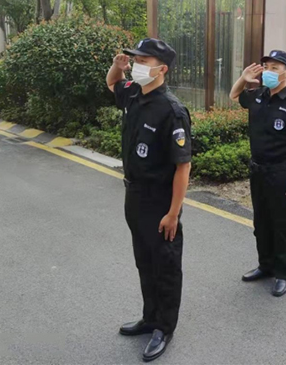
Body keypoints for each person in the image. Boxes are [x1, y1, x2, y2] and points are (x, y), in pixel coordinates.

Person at [106, 38, 192, 362]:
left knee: (165, 266)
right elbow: (112, 83)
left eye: (144, 61)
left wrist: (173, 213)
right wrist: (117, 67)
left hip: (160, 201)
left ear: (162, 69)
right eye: (136, 59)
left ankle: (164, 328)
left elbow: (183, 167)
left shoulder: (172, 111)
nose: (137, 65)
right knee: (144, 261)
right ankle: (149, 317)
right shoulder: (133, 93)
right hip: (135, 195)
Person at [229, 50, 286, 297]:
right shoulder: (258, 95)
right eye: (266, 67)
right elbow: (234, 95)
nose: (269, 72)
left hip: (282, 173)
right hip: (258, 170)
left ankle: (283, 273)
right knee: (261, 221)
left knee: (282, 224)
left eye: (275, 68)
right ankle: (265, 265)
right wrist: (243, 78)